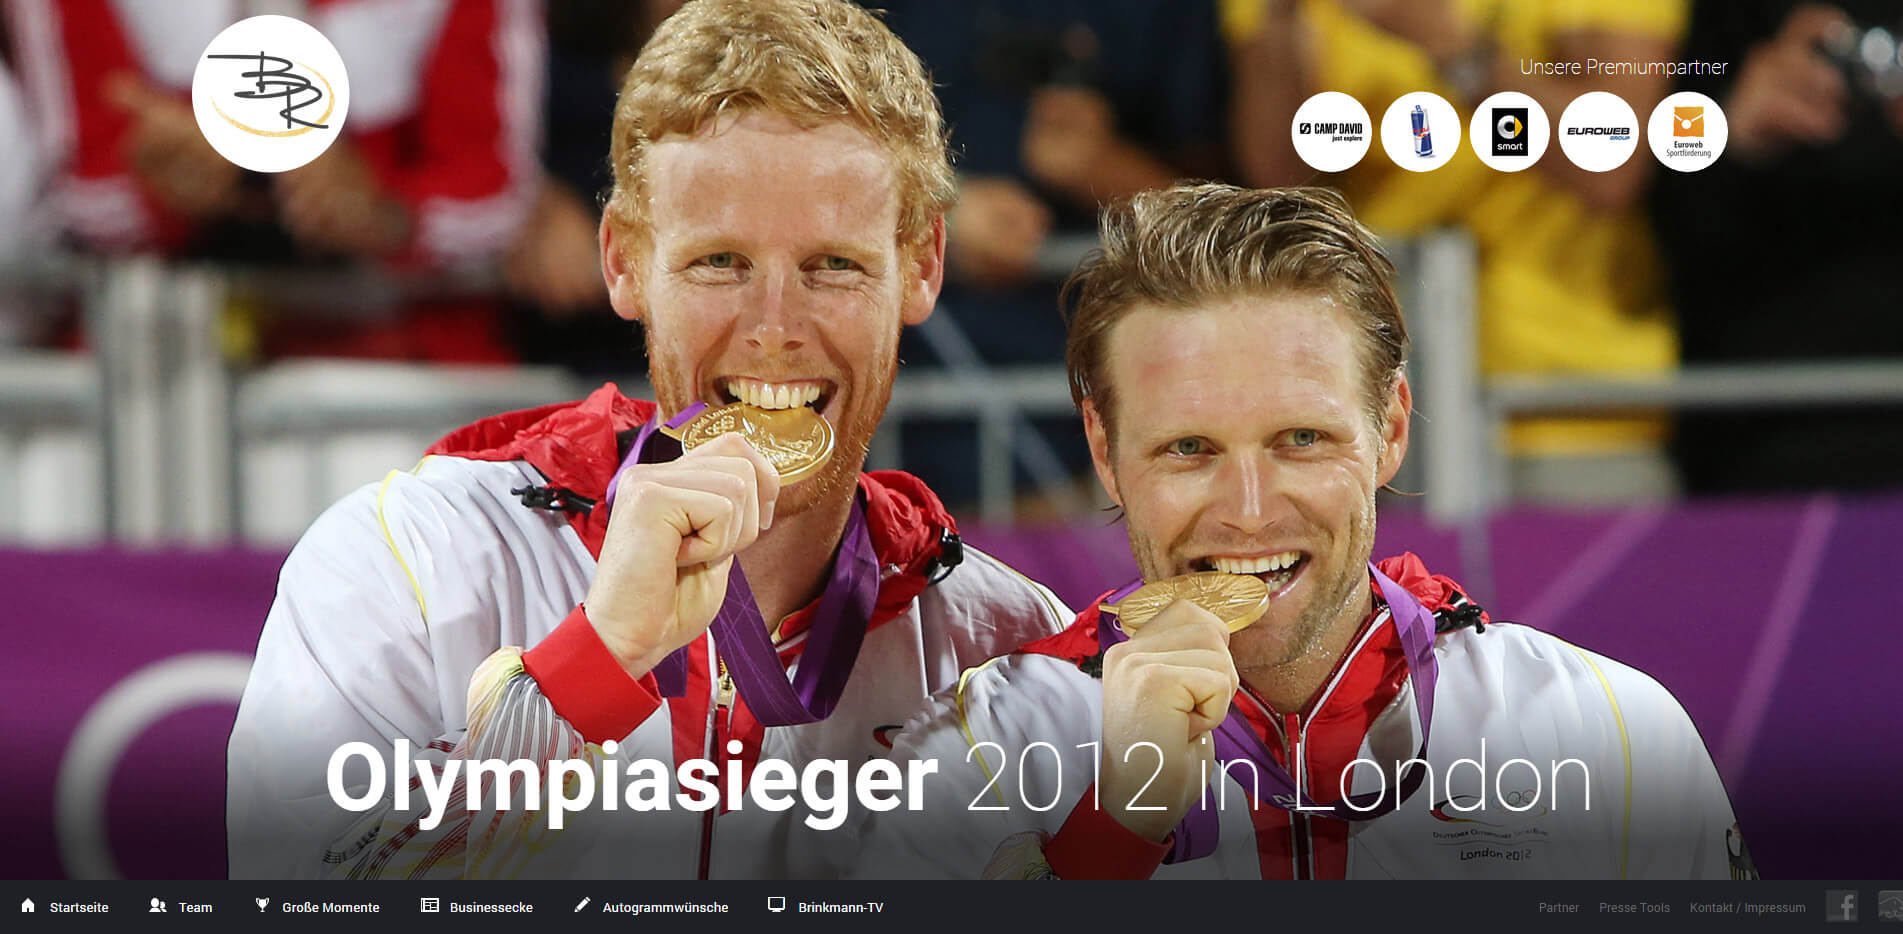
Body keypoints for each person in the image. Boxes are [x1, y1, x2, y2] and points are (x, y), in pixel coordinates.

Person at [225, 0, 1070, 880]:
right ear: (624, 261)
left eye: (834, 265)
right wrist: (592, 661)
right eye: (719, 262)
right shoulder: (410, 561)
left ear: (922, 266)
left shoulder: (1008, 644)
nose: (774, 329)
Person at [854, 184, 1746, 880]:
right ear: (1104, 447)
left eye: (1301, 439)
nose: (1247, 508)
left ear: (1391, 428)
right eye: (1189, 448)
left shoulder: (1607, 734)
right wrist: (1115, 825)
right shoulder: (984, 749)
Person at [1226, 0, 1687, 503]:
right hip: (1365, 397)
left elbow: (1608, 166)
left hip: (1570, 405)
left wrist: (1458, 51)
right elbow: (1278, 181)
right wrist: (1281, 22)